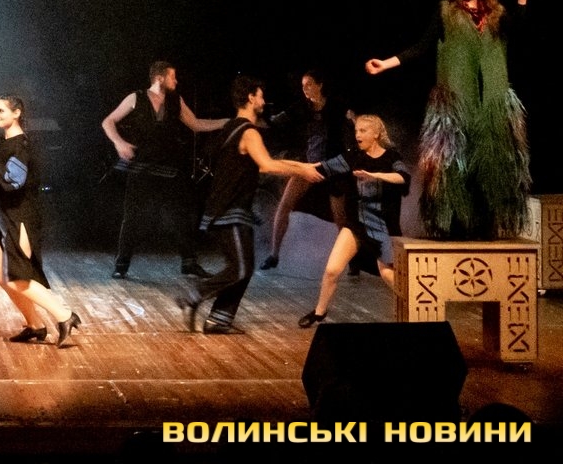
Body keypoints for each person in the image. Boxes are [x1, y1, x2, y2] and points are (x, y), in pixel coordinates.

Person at [365, 0, 535, 240]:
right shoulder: (446, 11)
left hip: (491, 102)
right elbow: (422, 46)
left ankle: (484, 225)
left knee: (489, 164)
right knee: (452, 166)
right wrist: (386, 63)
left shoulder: (496, 14)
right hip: (455, 102)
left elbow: (518, 29)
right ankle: (455, 226)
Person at [174, 74, 323, 334]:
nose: (264, 101)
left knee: (244, 266)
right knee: (241, 267)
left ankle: (219, 319)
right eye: (261, 96)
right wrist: (302, 170)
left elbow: (264, 162)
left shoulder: (233, 127)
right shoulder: (248, 131)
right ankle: (193, 295)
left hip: (231, 209)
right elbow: (267, 165)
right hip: (228, 210)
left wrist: (303, 167)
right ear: (251, 98)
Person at [0, 94, 82, 347]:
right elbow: (5, 178)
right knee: (1, 275)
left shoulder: (20, 145)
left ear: (17, 113)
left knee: (17, 276)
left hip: (21, 218)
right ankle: (35, 325)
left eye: (1, 110)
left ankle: (65, 315)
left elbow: (14, 180)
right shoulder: (7, 143)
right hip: (7, 218)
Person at [100, 61, 228, 278]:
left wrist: (227, 122)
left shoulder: (176, 100)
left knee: (181, 216)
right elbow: (108, 121)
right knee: (133, 217)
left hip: (169, 168)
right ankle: (121, 265)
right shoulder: (136, 98)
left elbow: (196, 124)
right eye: (172, 77)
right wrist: (119, 143)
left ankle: (189, 263)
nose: (176, 81)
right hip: (141, 168)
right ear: (160, 78)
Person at [298, 114, 412, 327]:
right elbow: (323, 167)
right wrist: (294, 168)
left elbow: (403, 177)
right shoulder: (352, 157)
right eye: (356, 130)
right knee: (332, 270)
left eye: (363, 131)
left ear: (376, 134)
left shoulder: (391, 157)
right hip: (356, 224)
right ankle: (319, 312)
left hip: (383, 226)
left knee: (388, 274)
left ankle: (418, 302)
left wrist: (376, 176)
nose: (357, 135)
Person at [259, 69, 354, 270]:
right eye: (303, 86)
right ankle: (274, 255)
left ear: (320, 85)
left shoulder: (336, 105)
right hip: (309, 164)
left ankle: (352, 259)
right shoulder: (301, 108)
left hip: (332, 166)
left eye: (309, 84)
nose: (305, 89)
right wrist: (253, 121)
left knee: (340, 217)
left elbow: (354, 123)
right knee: (284, 205)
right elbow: (275, 121)